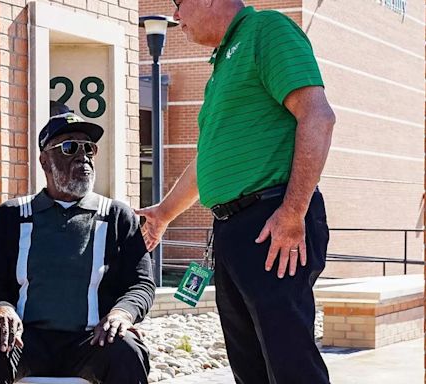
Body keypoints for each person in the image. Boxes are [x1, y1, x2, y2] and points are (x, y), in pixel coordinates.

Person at [136, 1, 335, 383]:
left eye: (180, 5)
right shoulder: (221, 62)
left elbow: (318, 117)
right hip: (233, 231)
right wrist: (163, 213)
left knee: (289, 364)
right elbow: (208, 159)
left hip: (271, 222)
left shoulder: (267, 30)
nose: (176, 17)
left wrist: (293, 213)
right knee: (250, 368)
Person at [0, 105, 155, 384]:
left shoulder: (116, 216)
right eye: (69, 148)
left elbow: (141, 283)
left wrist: (122, 313)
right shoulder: (12, 215)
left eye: (89, 149)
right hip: (25, 340)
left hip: (92, 340)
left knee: (127, 350)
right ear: (44, 160)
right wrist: (1, 308)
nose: (83, 157)